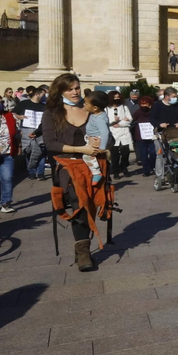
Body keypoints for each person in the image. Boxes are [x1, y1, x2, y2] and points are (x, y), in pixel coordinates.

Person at [45, 73, 105, 271]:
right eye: (69, 89)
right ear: (60, 91)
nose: (74, 92)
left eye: (77, 88)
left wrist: (104, 147)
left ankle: (83, 243)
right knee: (79, 205)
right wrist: (81, 150)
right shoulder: (52, 113)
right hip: (68, 168)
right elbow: (51, 144)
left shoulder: (90, 110)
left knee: (92, 205)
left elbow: (104, 134)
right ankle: (83, 253)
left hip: (93, 166)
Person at [149, 87, 178, 189]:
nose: (175, 98)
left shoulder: (176, 105)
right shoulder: (157, 105)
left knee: (172, 154)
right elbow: (152, 119)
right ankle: (160, 176)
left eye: (176, 97)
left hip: (173, 133)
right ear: (167, 96)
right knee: (160, 155)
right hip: (160, 133)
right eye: (173, 97)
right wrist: (159, 124)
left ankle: (172, 174)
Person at [15, 86, 49, 180]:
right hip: (27, 130)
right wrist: (19, 116)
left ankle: (40, 173)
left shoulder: (44, 106)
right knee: (28, 151)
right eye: (43, 94)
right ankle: (31, 172)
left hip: (40, 131)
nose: (45, 96)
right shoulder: (23, 104)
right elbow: (13, 113)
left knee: (41, 151)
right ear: (37, 94)